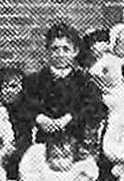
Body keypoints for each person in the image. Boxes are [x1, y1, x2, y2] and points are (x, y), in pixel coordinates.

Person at [10, 21, 105, 162]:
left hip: (76, 145)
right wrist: (39, 118)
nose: (60, 54)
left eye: (66, 49)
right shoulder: (34, 81)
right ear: (47, 51)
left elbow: (94, 107)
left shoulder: (84, 82)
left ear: (75, 51)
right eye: (55, 49)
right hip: (43, 145)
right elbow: (21, 107)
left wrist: (69, 118)